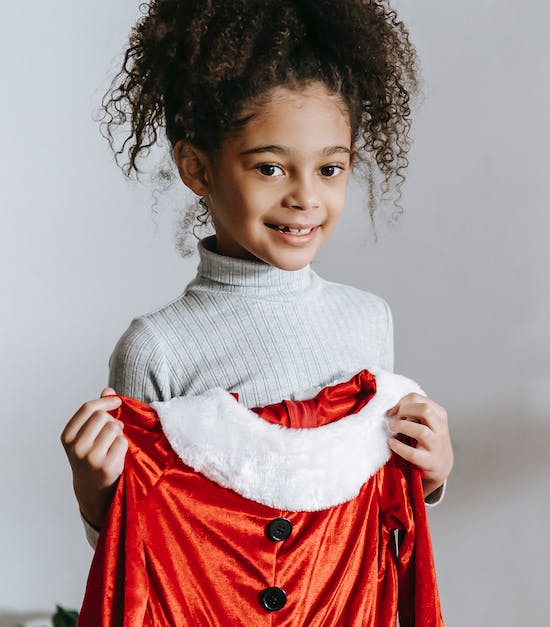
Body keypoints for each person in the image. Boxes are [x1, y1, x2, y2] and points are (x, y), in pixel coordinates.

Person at [59, 0, 453, 550]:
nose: (305, 197)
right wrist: (94, 490)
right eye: (270, 167)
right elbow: (137, 562)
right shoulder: (158, 349)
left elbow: (367, 523)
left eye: (330, 169)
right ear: (197, 168)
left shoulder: (368, 320)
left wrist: (426, 475)